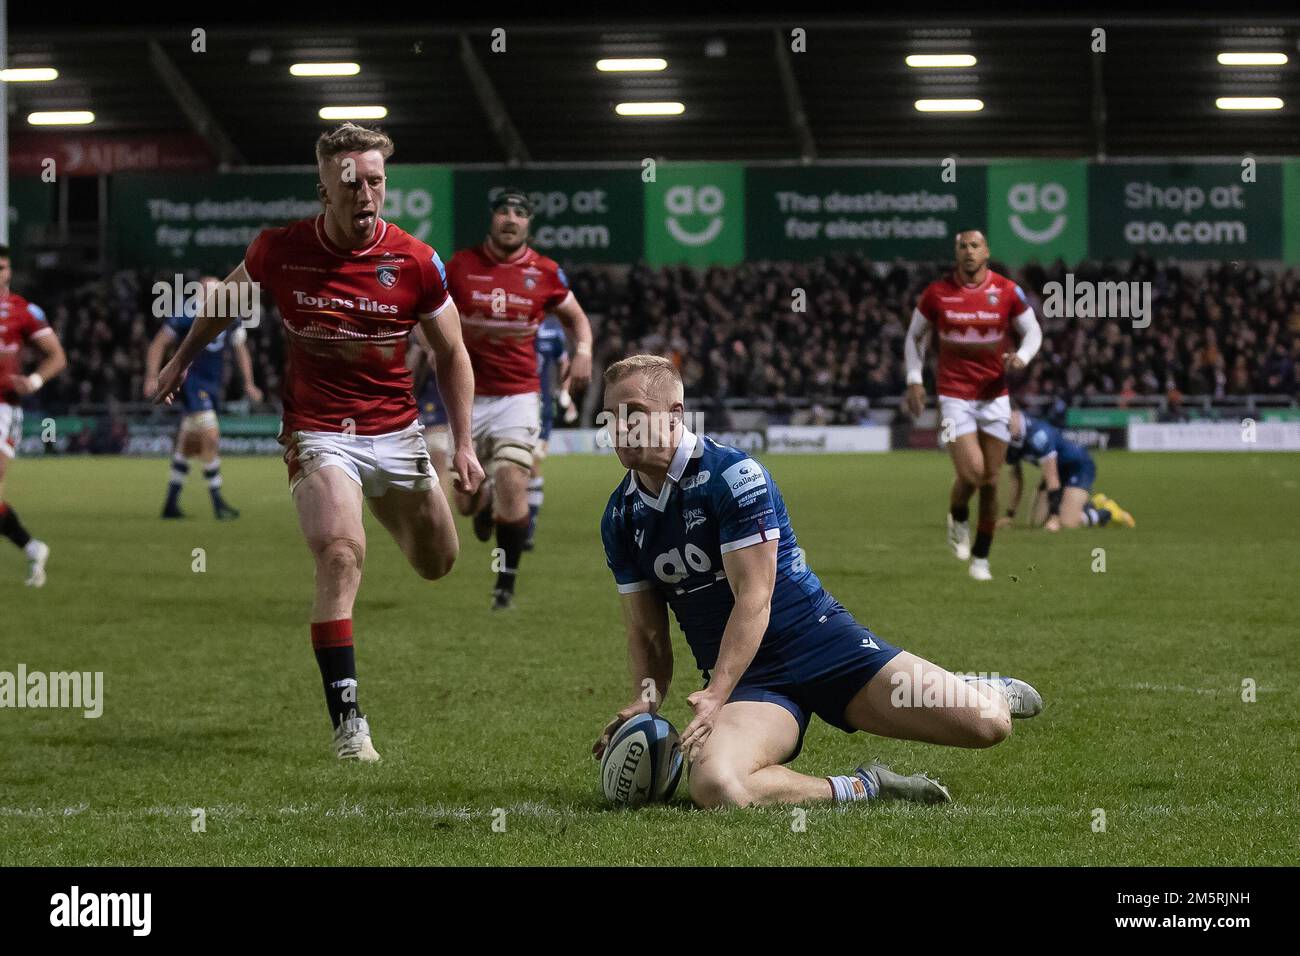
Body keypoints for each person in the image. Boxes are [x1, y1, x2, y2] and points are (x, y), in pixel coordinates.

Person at [153, 123, 484, 762]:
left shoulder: (416, 261)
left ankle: (384, 506)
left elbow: (452, 353)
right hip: (319, 430)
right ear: (325, 191)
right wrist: (183, 358)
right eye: (351, 184)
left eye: (376, 182)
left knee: (438, 562)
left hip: (396, 433)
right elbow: (224, 301)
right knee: (339, 551)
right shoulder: (281, 249)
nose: (366, 195)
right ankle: (349, 724)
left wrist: (464, 443)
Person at [593, 355, 1043, 808]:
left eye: (634, 413)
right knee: (715, 785)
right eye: (610, 416)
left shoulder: (732, 476)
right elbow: (647, 632)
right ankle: (868, 787)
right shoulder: (619, 517)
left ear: (674, 415)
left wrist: (715, 693)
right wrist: (645, 701)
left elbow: (755, 597)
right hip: (753, 685)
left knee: (988, 725)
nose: (619, 428)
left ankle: (981, 689)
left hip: (825, 646)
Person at [446, 188, 593, 610]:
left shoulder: (545, 271)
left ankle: (504, 585)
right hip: (466, 395)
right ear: (492, 218)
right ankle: (482, 502)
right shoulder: (460, 267)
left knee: (513, 478)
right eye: (503, 211)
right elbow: (427, 310)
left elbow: (578, 319)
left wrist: (582, 352)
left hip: (518, 395)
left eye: (520, 213)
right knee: (465, 499)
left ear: (529, 222)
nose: (511, 218)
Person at [904, 230, 1042, 581]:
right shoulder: (937, 294)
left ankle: (981, 558)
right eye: (962, 246)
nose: (968, 251)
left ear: (986, 252)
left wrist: (1023, 358)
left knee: (992, 481)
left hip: (995, 396)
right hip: (954, 396)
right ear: (956, 253)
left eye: (975, 246)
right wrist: (915, 379)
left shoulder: (1007, 291)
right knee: (972, 473)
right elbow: (914, 337)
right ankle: (957, 515)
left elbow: (1033, 331)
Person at [144, 275, 262, 519]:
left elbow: (241, 350)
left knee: (188, 445)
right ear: (200, 292)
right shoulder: (187, 314)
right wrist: (151, 377)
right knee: (210, 435)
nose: (217, 294)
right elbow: (158, 344)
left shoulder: (230, 316)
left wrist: (249, 383)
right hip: (191, 382)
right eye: (212, 290)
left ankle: (171, 503)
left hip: (213, 384)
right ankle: (218, 501)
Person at [0, 246, 66, 587]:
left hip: (3, 408)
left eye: (3, 267)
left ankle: (32, 548)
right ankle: (32, 548)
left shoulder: (23, 311)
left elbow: (56, 356)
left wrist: (36, 380)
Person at [1001, 409, 1135, 530]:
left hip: (1078, 466)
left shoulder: (1038, 434)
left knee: (1066, 523)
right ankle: (1089, 505)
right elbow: (1016, 480)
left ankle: (1107, 512)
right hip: (1056, 470)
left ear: (1017, 414)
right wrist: (1009, 515)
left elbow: (1052, 477)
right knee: (1037, 523)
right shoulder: (1009, 439)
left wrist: (1054, 518)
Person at [525, 314, 571, 551]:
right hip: (508, 400)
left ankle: (528, 528)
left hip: (540, 407)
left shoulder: (553, 329)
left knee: (532, 464)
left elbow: (564, 361)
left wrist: (565, 391)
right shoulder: (517, 317)